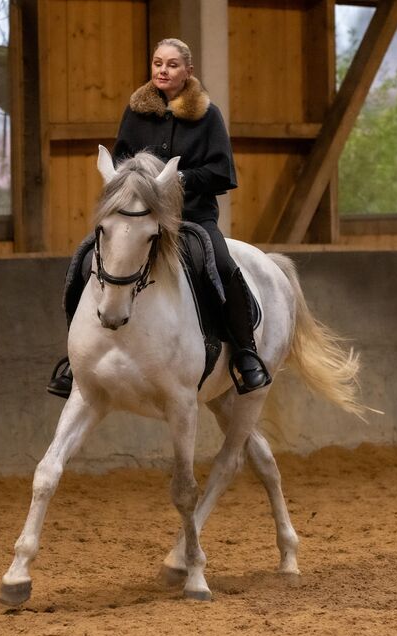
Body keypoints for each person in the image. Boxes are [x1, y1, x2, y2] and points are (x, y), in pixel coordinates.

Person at [47, 38, 270, 398]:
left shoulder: (209, 116)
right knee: (83, 260)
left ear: (188, 71)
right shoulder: (135, 114)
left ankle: (246, 354)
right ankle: (74, 359)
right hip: (139, 218)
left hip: (192, 219)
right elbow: (120, 164)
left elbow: (221, 171)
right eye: (157, 64)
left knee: (222, 266)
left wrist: (182, 178)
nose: (163, 71)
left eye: (172, 65)